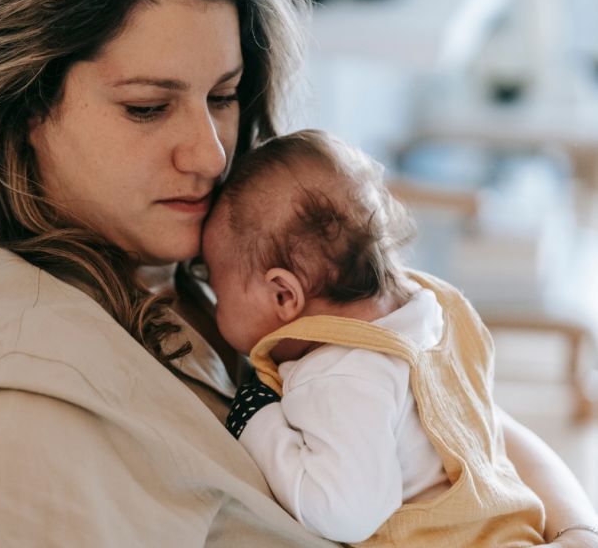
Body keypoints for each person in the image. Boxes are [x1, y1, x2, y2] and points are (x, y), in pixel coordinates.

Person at [0, 0, 598, 546]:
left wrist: (571, 529)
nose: (210, 153)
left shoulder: (207, 255)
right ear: (28, 103)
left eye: (223, 96)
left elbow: (457, 417)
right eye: (147, 108)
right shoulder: (7, 434)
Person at [202, 130, 554, 545]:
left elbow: (346, 513)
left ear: (283, 295)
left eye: (215, 287)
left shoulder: (337, 373)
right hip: (510, 523)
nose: (211, 300)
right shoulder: (437, 310)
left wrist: (258, 422)